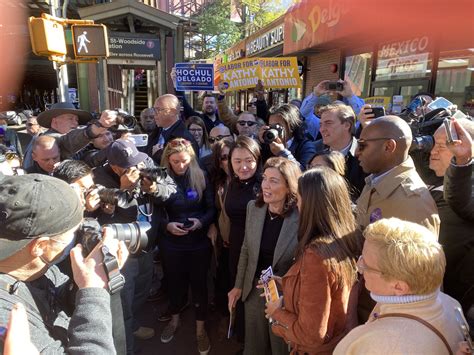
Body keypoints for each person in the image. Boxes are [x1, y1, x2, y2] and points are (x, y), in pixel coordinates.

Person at [0, 173, 128, 353]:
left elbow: (62, 300)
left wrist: (84, 280)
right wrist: (94, 290)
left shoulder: (38, 270)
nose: (79, 237)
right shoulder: (6, 316)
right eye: (75, 232)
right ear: (41, 245)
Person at [93, 138, 177, 354]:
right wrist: (125, 190)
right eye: (129, 167)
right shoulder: (100, 178)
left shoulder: (144, 161)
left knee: (141, 291)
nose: (137, 169)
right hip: (122, 252)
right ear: (114, 166)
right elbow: (108, 220)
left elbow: (170, 190)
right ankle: (126, 345)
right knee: (122, 301)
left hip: (147, 244)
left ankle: (133, 325)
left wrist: (154, 189)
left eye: (138, 163)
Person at [265, 167, 362, 354]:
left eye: (299, 199)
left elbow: (311, 335)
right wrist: (287, 284)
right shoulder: (344, 240)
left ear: (311, 204)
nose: (296, 205)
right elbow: (328, 296)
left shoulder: (316, 256)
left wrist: (276, 312)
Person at [334, 218, 465, 355]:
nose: (358, 266)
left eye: (365, 265)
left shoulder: (377, 345)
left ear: (399, 287)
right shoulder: (452, 305)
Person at [229, 157, 301, 355]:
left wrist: (287, 295)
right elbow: (246, 250)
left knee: (281, 347)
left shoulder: (300, 217)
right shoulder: (254, 207)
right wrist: (238, 286)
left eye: (274, 181)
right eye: (264, 178)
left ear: (289, 187)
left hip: (285, 297)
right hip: (253, 289)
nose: (265, 186)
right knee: (254, 346)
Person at [157, 138, 216, 354]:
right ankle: (174, 320)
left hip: (198, 241)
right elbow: (154, 213)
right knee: (174, 283)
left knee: (199, 285)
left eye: (184, 161)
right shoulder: (161, 179)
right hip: (171, 242)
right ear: (168, 160)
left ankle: (200, 330)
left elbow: (211, 208)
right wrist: (166, 226)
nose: (180, 166)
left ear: (191, 159)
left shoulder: (201, 175)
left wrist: (201, 222)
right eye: (175, 162)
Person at [355, 115, 440, 235]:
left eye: (362, 145)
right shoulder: (376, 180)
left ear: (389, 147)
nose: (356, 152)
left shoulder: (413, 202)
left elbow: (419, 253)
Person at [429, 118, 474, 311]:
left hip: (455, 302)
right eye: (433, 144)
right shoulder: (429, 180)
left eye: (442, 146)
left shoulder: (464, 192)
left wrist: (462, 161)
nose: (433, 151)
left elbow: (460, 200)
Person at [225, 135, 262, 341]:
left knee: (251, 295)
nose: (244, 167)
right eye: (237, 161)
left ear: (257, 159)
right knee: (236, 290)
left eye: (249, 160)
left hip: (256, 248)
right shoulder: (234, 183)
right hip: (235, 245)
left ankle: (254, 341)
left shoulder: (263, 185)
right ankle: (241, 336)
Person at [314, 104, 367, 199]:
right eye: (321, 124)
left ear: (347, 125)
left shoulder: (364, 154)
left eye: (328, 123)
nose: (322, 129)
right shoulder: (315, 150)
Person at [260, 103, 316, 170]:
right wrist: (260, 143)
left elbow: (305, 173)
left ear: (291, 126)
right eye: (271, 126)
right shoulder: (267, 144)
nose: (273, 130)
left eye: (278, 126)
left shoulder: (306, 146)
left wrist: (282, 153)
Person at [146, 93, 198, 164]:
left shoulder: (185, 139)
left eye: (158, 110)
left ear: (173, 112)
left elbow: (182, 169)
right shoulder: (156, 132)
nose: (154, 114)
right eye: (154, 110)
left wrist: (158, 155)